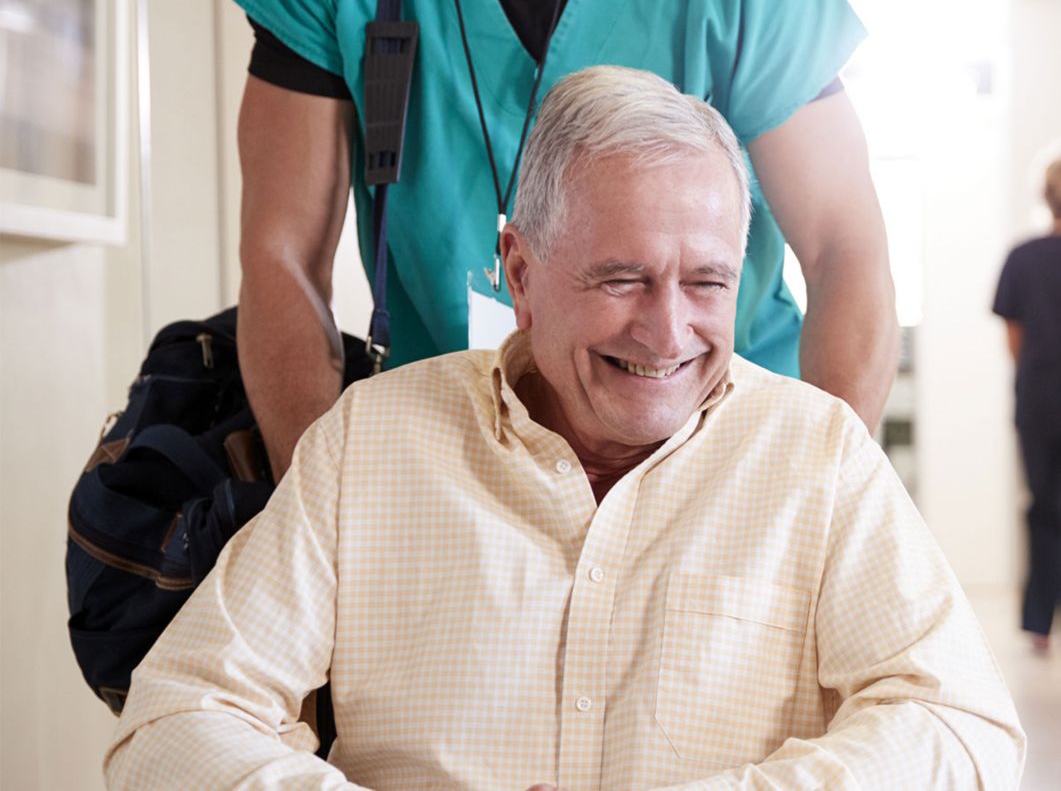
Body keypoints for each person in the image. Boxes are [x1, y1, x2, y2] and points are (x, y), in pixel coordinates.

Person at [106, 68, 1022, 790]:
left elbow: (962, 728)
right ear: (520, 271)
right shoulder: (373, 443)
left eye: (705, 282)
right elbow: (174, 721)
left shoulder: (816, 455)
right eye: (620, 278)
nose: (667, 333)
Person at [223, 0, 899, 477]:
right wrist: (320, 504)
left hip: (718, 454)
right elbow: (281, 255)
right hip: (453, 459)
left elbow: (844, 247)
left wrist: (828, 502)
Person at [993, 156, 1061, 653]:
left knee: (1043, 508)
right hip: (1039, 397)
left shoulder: (1022, 257)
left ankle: (1039, 625)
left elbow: (1014, 340)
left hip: (1038, 399)